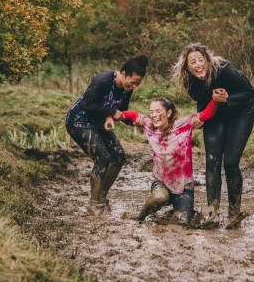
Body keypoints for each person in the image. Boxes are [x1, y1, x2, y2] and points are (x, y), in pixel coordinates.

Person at [172, 43, 254, 229]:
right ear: (186, 67)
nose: (198, 65)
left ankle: (234, 214)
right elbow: (202, 101)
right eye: (192, 62)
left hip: (240, 113)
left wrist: (227, 99)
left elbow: (250, 92)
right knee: (212, 160)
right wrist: (201, 117)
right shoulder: (189, 81)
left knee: (231, 162)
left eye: (201, 60)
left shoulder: (224, 70)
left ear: (207, 60)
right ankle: (213, 213)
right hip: (216, 115)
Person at [65, 55, 148, 215]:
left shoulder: (127, 89)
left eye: (138, 84)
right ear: (123, 73)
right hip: (79, 121)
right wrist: (111, 113)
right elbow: (87, 104)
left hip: (99, 122)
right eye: (133, 82)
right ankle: (94, 206)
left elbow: (120, 111)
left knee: (119, 156)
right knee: (102, 158)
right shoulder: (103, 80)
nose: (134, 86)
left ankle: (101, 197)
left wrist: (134, 121)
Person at [121, 96, 218, 223]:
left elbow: (205, 115)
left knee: (182, 221)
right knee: (160, 196)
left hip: (184, 187)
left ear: (169, 112)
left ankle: (173, 213)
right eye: (151, 112)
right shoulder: (149, 126)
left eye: (158, 111)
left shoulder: (183, 125)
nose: (154, 115)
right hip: (161, 182)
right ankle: (140, 216)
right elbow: (133, 115)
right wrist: (112, 115)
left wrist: (216, 100)